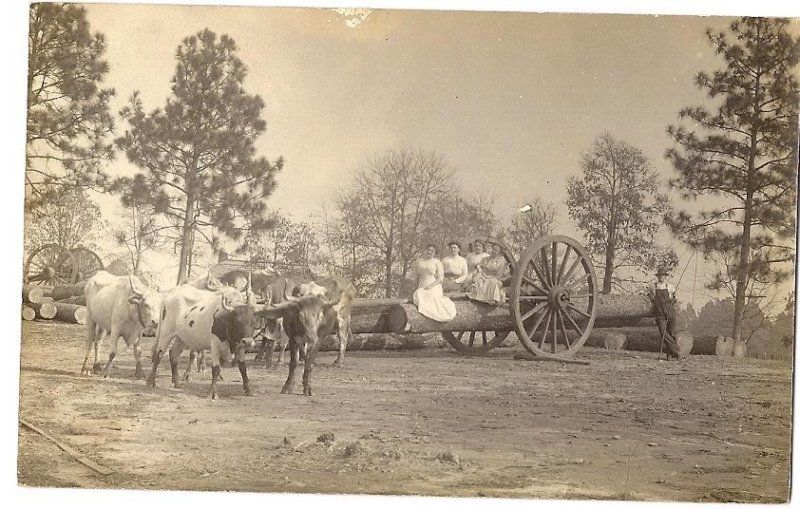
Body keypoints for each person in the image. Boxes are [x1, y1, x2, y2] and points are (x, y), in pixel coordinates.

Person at [410, 244, 457, 322]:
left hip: (434, 285)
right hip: (422, 285)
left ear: (434, 253)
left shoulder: (437, 262)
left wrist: (430, 286)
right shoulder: (419, 262)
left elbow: (440, 279)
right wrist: (415, 288)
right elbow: (415, 277)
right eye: (428, 249)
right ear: (425, 250)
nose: (429, 252)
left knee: (431, 299)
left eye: (432, 251)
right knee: (419, 295)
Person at [647, 266, 682, 360]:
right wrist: (651, 298)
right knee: (663, 333)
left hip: (670, 313)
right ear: (657, 276)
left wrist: (674, 299)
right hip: (660, 314)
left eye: (662, 275)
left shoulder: (670, 287)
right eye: (659, 275)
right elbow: (649, 296)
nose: (661, 277)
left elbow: (675, 299)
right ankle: (676, 348)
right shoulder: (652, 286)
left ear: (665, 276)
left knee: (671, 334)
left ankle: (672, 355)